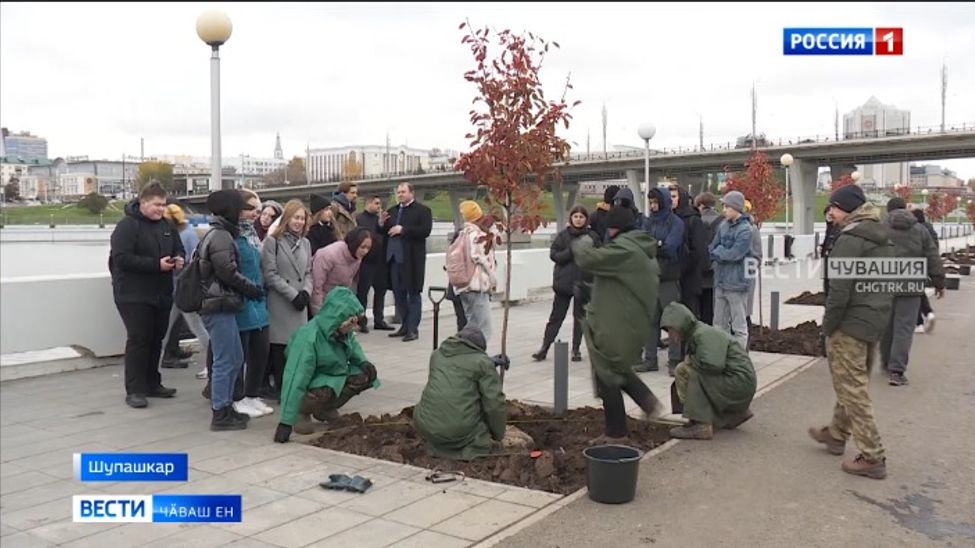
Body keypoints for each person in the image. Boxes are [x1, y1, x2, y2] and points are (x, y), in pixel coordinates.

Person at [808, 184, 893, 479]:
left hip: (849, 325)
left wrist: (828, 328)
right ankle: (836, 433)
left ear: (848, 208)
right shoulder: (881, 237)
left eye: (833, 207)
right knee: (852, 383)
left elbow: (839, 292)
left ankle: (873, 455)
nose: (829, 212)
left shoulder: (850, 239)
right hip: (872, 321)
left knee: (853, 390)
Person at [572, 206, 664, 442]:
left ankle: (616, 432)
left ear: (613, 229)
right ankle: (647, 402)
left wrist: (583, 238)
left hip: (619, 323)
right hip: (624, 320)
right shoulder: (636, 248)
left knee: (607, 372)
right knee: (615, 367)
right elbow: (618, 282)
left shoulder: (627, 249)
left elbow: (587, 258)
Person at [109, 181, 185, 408]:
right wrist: (155, 265)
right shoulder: (127, 226)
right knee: (139, 340)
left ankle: (153, 382)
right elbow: (121, 259)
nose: (160, 209)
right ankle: (134, 389)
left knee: (156, 340)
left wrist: (178, 259)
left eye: (163, 205)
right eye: (155, 205)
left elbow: (178, 248)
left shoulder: (166, 226)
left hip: (161, 292)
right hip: (133, 294)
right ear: (142, 203)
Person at [273, 287, 380, 442]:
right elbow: (296, 378)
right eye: (351, 321)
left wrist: (363, 362)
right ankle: (300, 412)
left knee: (363, 376)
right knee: (325, 389)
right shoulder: (309, 337)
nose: (353, 327)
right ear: (337, 316)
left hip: (332, 377)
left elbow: (353, 346)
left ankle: (324, 409)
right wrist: (285, 422)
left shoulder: (341, 331)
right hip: (313, 384)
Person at [198, 189, 263, 431]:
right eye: (240, 207)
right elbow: (227, 272)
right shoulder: (222, 236)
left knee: (234, 356)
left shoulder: (219, 233)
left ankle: (225, 406)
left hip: (220, 303)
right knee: (227, 359)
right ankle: (220, 411)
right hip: (218, 304)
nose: (245, 212)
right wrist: (252, 288)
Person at [660, 302, 756, 440]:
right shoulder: (699, 332)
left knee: (690, 374)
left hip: (739, 382)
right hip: (740, 381)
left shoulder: (702, 334)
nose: (670, 335)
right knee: (686, 369)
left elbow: (713, 365)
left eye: (671, 329)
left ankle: (701, 425)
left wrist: (690, 360)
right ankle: (733, 414)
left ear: (680, 324)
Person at [413, 326, 507, 459]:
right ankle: (466, 450)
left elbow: (459, 367)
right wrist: (498, 434)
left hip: (426, 425)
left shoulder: (437, 355)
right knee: (480, 422)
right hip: (457, 428)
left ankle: (438, 446)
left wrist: (489, 362)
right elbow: (494, 405)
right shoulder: (482, 363)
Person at [882, 197, 944, 386]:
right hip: (911, 284)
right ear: (905, 209)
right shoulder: (919, 229)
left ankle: (886, 362)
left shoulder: (880, 227)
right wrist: (939, 281)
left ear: (888, 210)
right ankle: (897, 370)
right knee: (904, 327)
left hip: (883, 283)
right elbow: (932, 255)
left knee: (886, 326)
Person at [261, 199, 313, 402]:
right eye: (295, 217)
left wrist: (306, 292)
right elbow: (270, 274)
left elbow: (309, 272)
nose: (299, 222)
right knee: (280, 349)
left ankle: (295, 389)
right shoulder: (273, 241)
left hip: (300, 302)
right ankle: (282, 390)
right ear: (287, 219)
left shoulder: (306, 243)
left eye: (302, 218)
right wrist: (293, 294)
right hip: (281, 301)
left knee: (298, 350)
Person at [532, 205, 598, 363]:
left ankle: (576, 349)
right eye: (575, 216)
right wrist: (571, 251)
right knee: (556, 318)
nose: (578, 219)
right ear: (571, 219)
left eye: (581, 217)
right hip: (563, 285)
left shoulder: (592, 237)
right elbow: (554, 255)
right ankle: (545, 347)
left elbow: (598, 256)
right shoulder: (562, 236)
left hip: (583, 284)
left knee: (580, 318)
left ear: (586, 219)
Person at [636, 187, 685, 374]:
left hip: (668, 278)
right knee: (650, 320)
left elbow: (671, 246)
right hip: (650, 277)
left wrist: (655, 245)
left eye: (656, 202)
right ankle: (650, 359)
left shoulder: (676, 223)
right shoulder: (648, 222)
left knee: (672, 321)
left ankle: (674, 360)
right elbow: (641, 242)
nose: (653, 206)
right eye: (651, 202)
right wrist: (657, 244)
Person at [159, 204, 210, 377]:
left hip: (182, 289)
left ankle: (213, 362)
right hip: (179, 288)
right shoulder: (188, 233)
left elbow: (192, 261)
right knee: (168, 326)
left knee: (196, 327)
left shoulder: (182, 235)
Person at [383, 182, 433, 342]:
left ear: (412, 193)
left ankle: (413, 329)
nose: (400, 195)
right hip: (394, 258)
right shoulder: (392, 211)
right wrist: (381, 223)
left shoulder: (423, 211)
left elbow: (425, 231)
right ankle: (404, 325)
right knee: (398, 294)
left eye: (403, 192)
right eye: (398, 192)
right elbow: (384, 231)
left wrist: (403, 230)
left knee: (413, 293)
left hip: (411, 259)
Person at [708, 190, 753, 351]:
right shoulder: (723, 226)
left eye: (726, 206)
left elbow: (735, 254)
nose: (724, 210)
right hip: (720, 282)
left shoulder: (746, 230)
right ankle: (721, 354)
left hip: (737, 284)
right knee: (719, 324)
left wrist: (720, 252)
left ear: (736, 207)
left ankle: (739, 358)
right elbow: (712, 247)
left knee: (739, 325)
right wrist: (720, 252)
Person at [451, 201, 498, 344]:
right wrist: (493, 278)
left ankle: (465, 355)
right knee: (484, 329)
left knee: (470, 325)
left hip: (463, 285)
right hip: (476, 285)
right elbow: (480, 257)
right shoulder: (478, 235)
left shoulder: (462, 233)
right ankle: (478, 360)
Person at [311, 227, 374, 315]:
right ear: (354, 243)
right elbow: (316, 287)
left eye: (368, 248)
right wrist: (318, 314)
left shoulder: (357, 257)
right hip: (319, 301)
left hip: (335, 303)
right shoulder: (328, 255)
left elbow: (347, 286)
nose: (365, 251)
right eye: (362, 247)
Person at [355, 195, 394, 332]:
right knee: (363, 292)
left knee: (380, 291)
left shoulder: (380, 219)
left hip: (380, 261)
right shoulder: (359, 218)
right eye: (376, 203)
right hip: (366, 261)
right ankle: (361, 320)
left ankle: (379, 319)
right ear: (368, 203)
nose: (379, 206)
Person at [671, 185, 709, 323]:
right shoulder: (670, 219)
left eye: (674, 197)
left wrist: (684, 265)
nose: (671, 200)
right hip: (674, 276)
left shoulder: (693, 219)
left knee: (689, 316)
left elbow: (698, 249)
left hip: (690, 277)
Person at [694, 192, 722, 325]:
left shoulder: (696, 220)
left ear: (700, 205)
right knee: (711, 310)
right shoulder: (722, 222)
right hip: (716, 272)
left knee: (699, 310)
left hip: (698, 272)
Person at [911, 208, 938, 332]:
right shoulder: (929, 228)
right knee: (918, 290)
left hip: (913, 265)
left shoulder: (914, 230)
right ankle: (928, 313)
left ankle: (919, 323)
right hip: (925, 265)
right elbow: (934, 248)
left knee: (913, 292)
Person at [743, 200, 763, 327]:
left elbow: (757, 255)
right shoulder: (724, 227)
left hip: (745, 276)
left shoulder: (752, 229)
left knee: (744, 313)